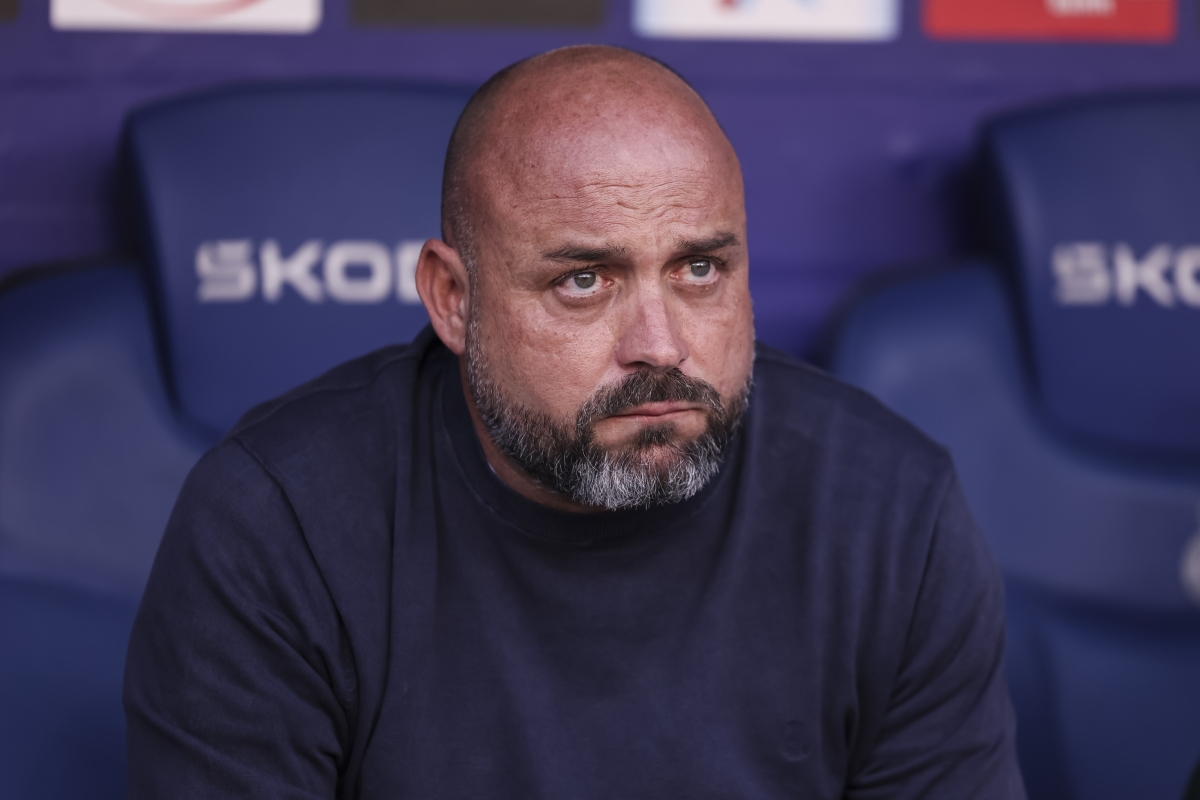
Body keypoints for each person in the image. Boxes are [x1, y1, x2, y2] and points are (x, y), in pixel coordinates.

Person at [124, 45, 1026, 798]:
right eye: (583, 281)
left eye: (701, 269)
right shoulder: (277, 522)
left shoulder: (890, 511)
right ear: (452, 298)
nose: (661, 346)